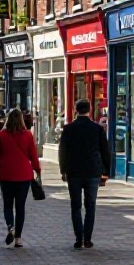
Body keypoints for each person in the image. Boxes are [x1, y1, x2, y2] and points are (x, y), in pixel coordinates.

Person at [58, 98, 110, 250]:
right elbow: (105, 151)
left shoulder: (68, 129)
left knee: (75, 206)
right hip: (93, 171)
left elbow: (63, 151)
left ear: (75, 110)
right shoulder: (97, 128)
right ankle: (87, 239)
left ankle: (78, 238)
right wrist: (106, 171)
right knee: (90, 205)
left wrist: (63, 170)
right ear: (90, 109)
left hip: (74, 171)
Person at [0, 107, 41, 249]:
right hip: (24, 175)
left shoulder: (1, 135)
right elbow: (33, 155)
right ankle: (18, 238)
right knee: (20, 207)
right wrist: (38, 170)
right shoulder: (27, 135)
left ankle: (10, 227)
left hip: (6, 174)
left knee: (7, 205)